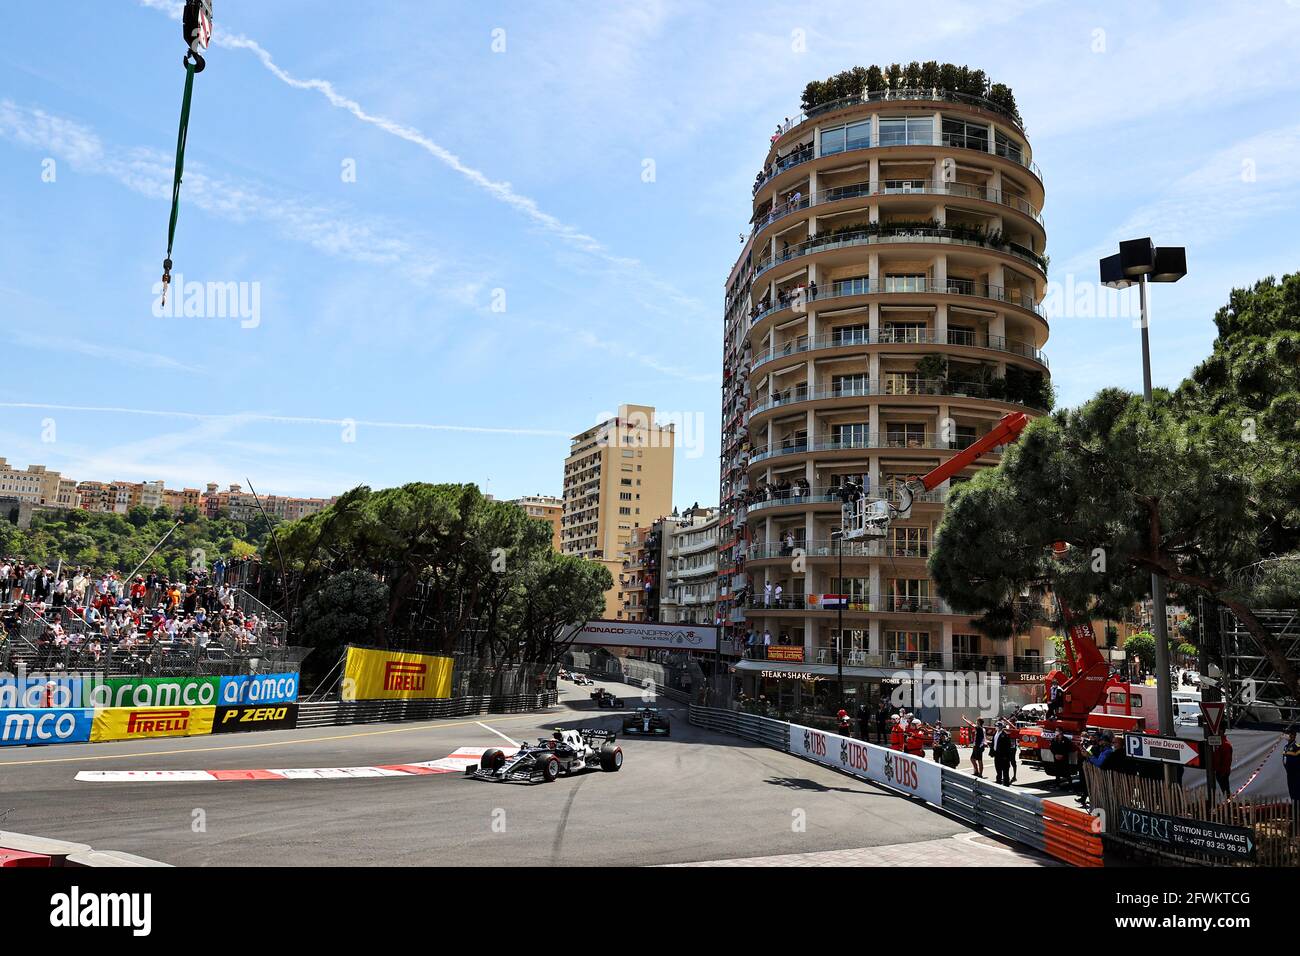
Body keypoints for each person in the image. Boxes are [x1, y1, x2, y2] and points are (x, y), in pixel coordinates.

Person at [992, 721, 1016, 786]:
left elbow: (1008, 746)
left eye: (998, 726)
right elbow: (993, 743)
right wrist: (992, 752)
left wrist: (1006, 756)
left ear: (1001, 727)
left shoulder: (1004, 735)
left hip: (1003, 755)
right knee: (998, 768)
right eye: (996, 726)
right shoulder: (995, 733)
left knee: (1005, 770)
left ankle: (1006, 783)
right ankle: (998, 780)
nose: (996, 727)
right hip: (997, 754)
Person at [1212, 733, 1233, 798]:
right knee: (1225, 790)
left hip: (1222, 771)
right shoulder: (1218, 743)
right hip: (1220, 770)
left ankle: (1229, 804)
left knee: (1225, 790)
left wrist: (1223, 772)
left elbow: (1227, 760)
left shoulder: (1225, 744)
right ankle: (1228, 803)